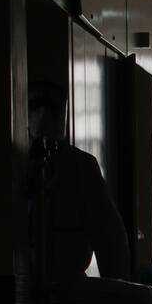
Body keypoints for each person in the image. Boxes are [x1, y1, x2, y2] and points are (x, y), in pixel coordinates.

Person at [28, 80, 130, 284]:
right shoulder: (17, 165)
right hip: (28, 284)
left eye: (52, 108)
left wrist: (116, 291)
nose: (43, 115)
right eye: (36, 106)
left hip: (68, 287)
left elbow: (110, 240)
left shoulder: (81, 167)